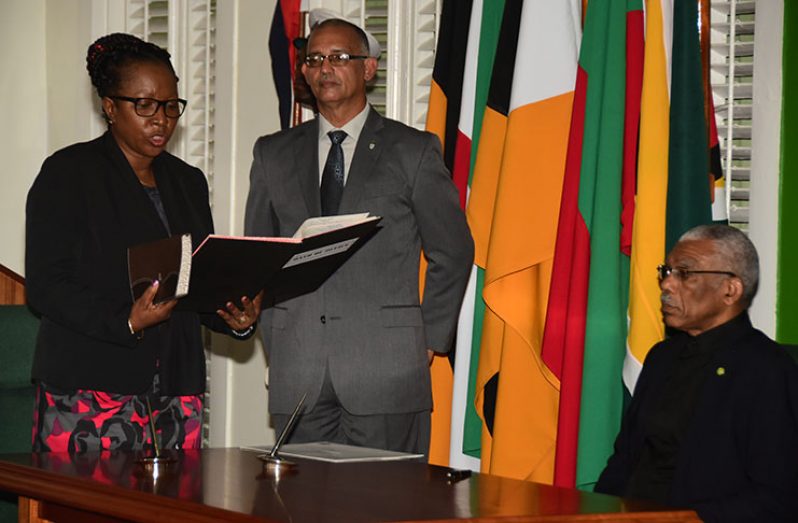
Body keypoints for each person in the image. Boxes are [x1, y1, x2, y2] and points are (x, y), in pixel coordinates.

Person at [244, 17, 473, 455]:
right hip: (299, 369)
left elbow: (454, 250)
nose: (324, 68)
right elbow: (260, 258)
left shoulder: (413, 150)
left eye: (338, 57)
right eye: (313, 59)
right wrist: (274, 335)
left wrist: (427, 338)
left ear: (369, 69)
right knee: (304, 506)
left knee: (386, 505)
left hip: (386, 368)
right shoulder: (271, 153)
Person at [25, 33, 261, 453]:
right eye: (145, 105)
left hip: (175, 387)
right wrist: (127, 321)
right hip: (89, 386)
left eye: (171, 106)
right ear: (110, 107)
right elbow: (46, 287)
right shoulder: (68, 173)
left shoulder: (187, 181)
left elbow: (194, 281)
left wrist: (233, 319)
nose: (162, 120)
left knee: (168, 512)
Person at [595, 224, 798, 522]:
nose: (667, 284)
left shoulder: (767, 370)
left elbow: (777, 497)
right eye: (667, 271)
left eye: (685, 274)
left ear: (731, 289)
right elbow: (624, 461)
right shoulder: (661, 358)